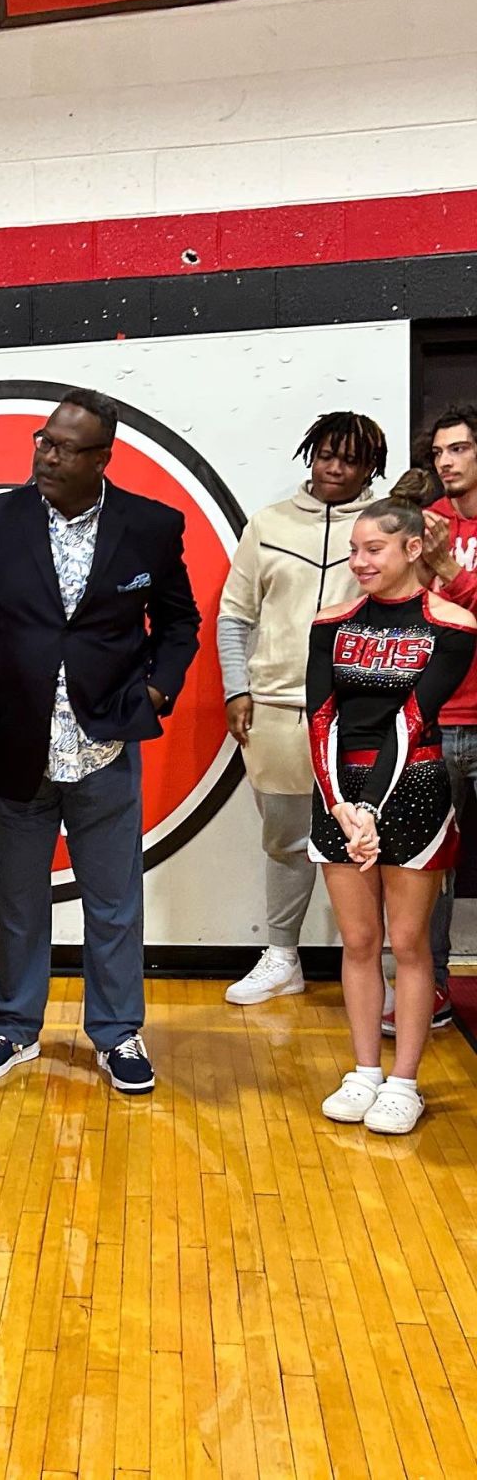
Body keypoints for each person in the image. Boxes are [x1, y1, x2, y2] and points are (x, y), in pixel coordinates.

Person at [0, 388, 201, 1093]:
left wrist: (154, 691)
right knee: (17, 900)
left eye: (63, 446)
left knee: (114, 901)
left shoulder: (149, 525)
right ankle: (13, 1028)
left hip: (107, 743)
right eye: (42, 441)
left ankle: (117, 1034)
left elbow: (180, 624)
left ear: (102, 458)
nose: (45, 455)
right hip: (18, 743)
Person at [309, 480, 475, 1134]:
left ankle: (404, 1080)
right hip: (340, 797)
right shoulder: (331, 623)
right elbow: (320, 715)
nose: (360, 561)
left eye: (374, 548)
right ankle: (364, 1071)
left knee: (407, 944)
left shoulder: (453, 625)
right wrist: (342, 805)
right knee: (357, 940)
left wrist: (371, 809)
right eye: (353, 550)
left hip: (415, 789)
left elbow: (413, 718)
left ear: (412, 547)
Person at [218, 412, 387, 1005]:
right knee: (286, 838)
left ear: (372, 468)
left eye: (350, 458)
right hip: (280, 711)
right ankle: (283, 956)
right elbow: (235, 616)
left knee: (368, 840)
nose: (334, 466)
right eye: (325, 453)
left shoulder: (383, 527)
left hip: (364, 715)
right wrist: (238, 689)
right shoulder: (267, 525)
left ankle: (375, 967)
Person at [405, 403, 477, 1036]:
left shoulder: (448, 543)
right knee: (429, 866)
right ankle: (431, 991)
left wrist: (451, 570)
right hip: (436, 717)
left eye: (459, 449)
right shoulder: (428, 525)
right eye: (439, 453)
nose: (447, 462)